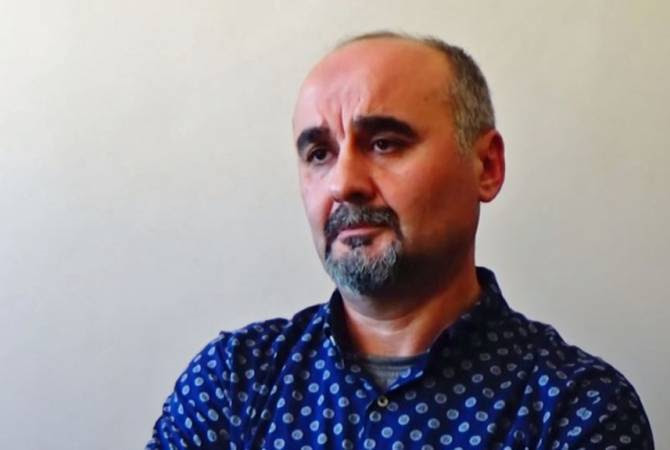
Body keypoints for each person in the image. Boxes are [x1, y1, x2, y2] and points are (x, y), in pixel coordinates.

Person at [147, 32, 653, 449]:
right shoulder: (233, 381)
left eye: (384, 143)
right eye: (319, 154)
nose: (343, 183)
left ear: (486, 166)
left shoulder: (578, 411)